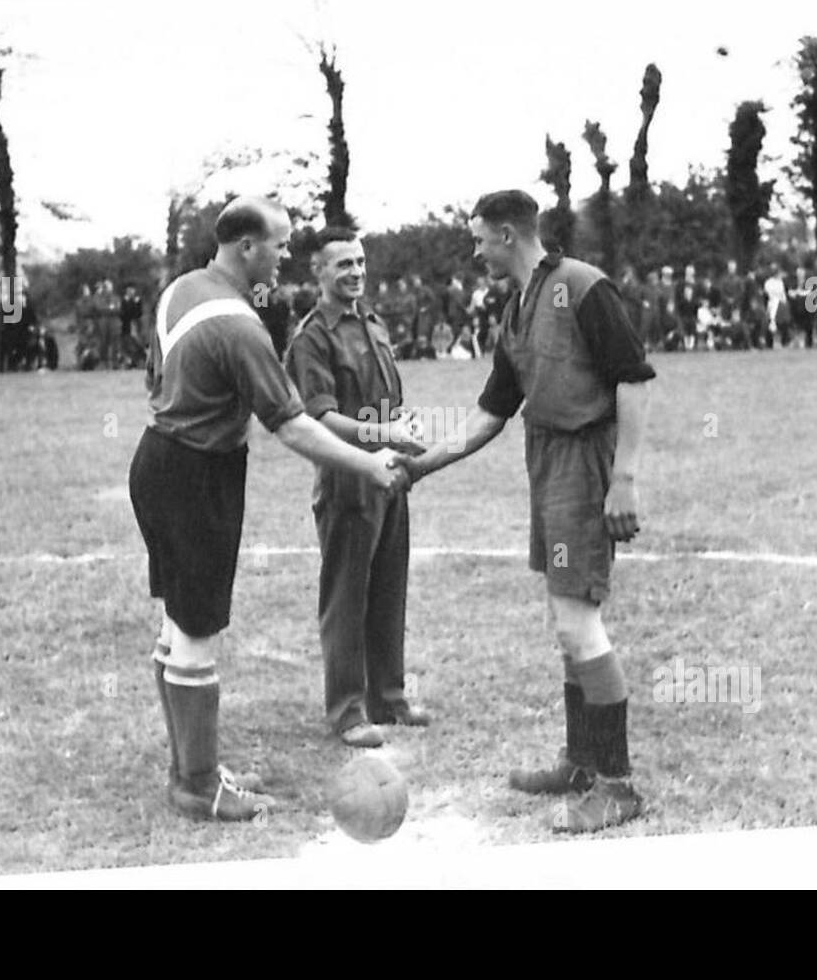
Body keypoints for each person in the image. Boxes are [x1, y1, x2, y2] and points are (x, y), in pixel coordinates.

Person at [129, 196, 410, 823]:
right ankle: (200, 787)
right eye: (280, 246)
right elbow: (292, 424)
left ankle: (190, 770)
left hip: (157, 461)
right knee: (197, 633)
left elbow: (155, 377)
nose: (287, 257)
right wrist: (369, 463)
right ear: (247, 247)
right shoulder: (239, 324)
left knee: (177, 625)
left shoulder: (180, 290)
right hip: (198, 473)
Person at [400, 190, 655, 834]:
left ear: (509, 235)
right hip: (545, 461)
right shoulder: (517, 307)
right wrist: (423, 464)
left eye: (480, 238)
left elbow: (633, 378)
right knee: (564, 619)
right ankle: (579, 760)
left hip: (584, 464)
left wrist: (622, 479)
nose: (475, 249)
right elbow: (492, 411)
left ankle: (616, 784)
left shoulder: (582, 286)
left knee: (577, 620)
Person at [285, 227, 430, 748]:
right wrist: (380, 435)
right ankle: (347, 711)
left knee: (389, 587)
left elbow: (386, 396)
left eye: (360, 262)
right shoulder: (312, 337)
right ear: (318, 273)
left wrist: (402, 428)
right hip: (349, 480)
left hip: (391, 475)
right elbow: (318, 415)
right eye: (342, 264)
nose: (355, 272)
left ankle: (388, 698)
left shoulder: (372, 322)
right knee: (347, 597)